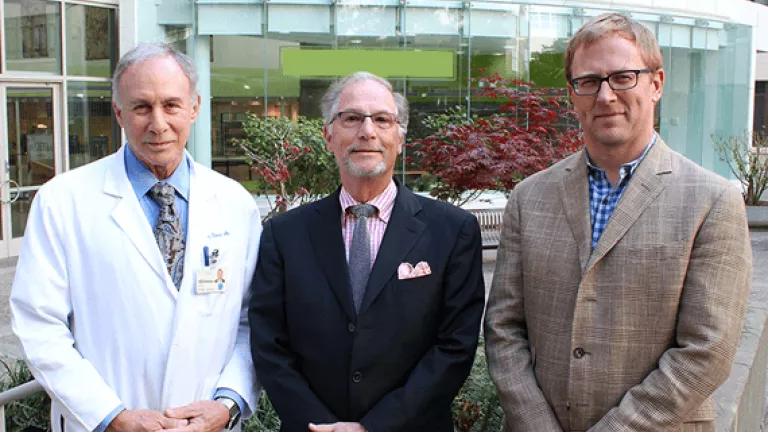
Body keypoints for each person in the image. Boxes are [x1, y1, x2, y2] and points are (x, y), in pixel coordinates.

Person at [484, 13, 753, 432]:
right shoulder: (529, 197)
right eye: (588, 81)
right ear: (573, 95)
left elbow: (707, 351)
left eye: (623, 77)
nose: (605, 96)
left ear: (657, 83)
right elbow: (503, 327)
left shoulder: (712, 200)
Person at [10, 42, 261, 432]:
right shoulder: (63, 201)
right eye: (142, 107)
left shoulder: (235, 203)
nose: (158, 123)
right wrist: (110, 415)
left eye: (171, 105)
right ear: (119, 113)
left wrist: (228, 402)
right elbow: (39, 325)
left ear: (194, 108)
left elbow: (251, 320)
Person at [249, 71, 485, 432]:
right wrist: (320, 426)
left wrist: (373, 427)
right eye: (352, 118)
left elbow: (454, 346)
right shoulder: (284, 234)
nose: (367, 131)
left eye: (382, 120)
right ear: (329, 135)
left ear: (400, 137)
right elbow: (269, 344)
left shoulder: (452, 231)